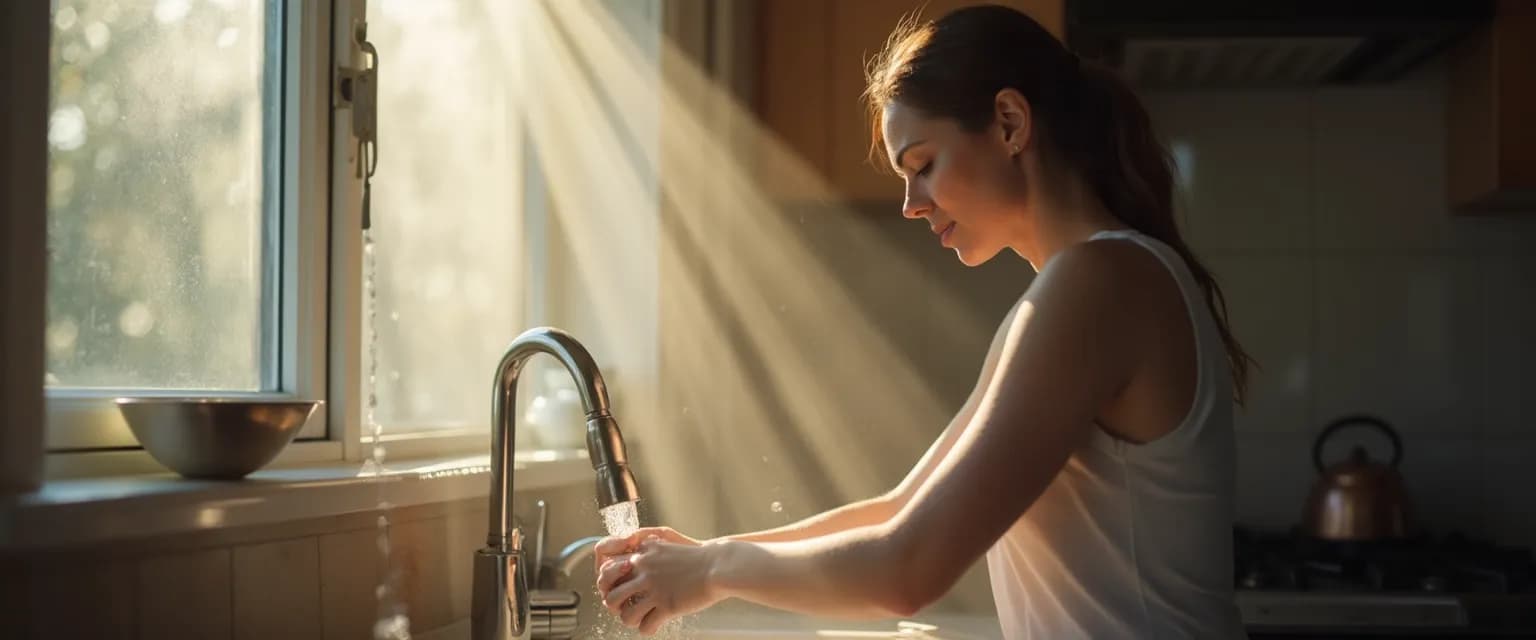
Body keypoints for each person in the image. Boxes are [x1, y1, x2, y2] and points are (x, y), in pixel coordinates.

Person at [593, 4, 1254, 638]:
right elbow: (901, 510)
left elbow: (905, 569)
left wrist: (711, 570)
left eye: (922, 165)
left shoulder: (1098, 283)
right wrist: (707, 553)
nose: (911, 203)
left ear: (1009, 122)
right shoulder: (1080, 286)